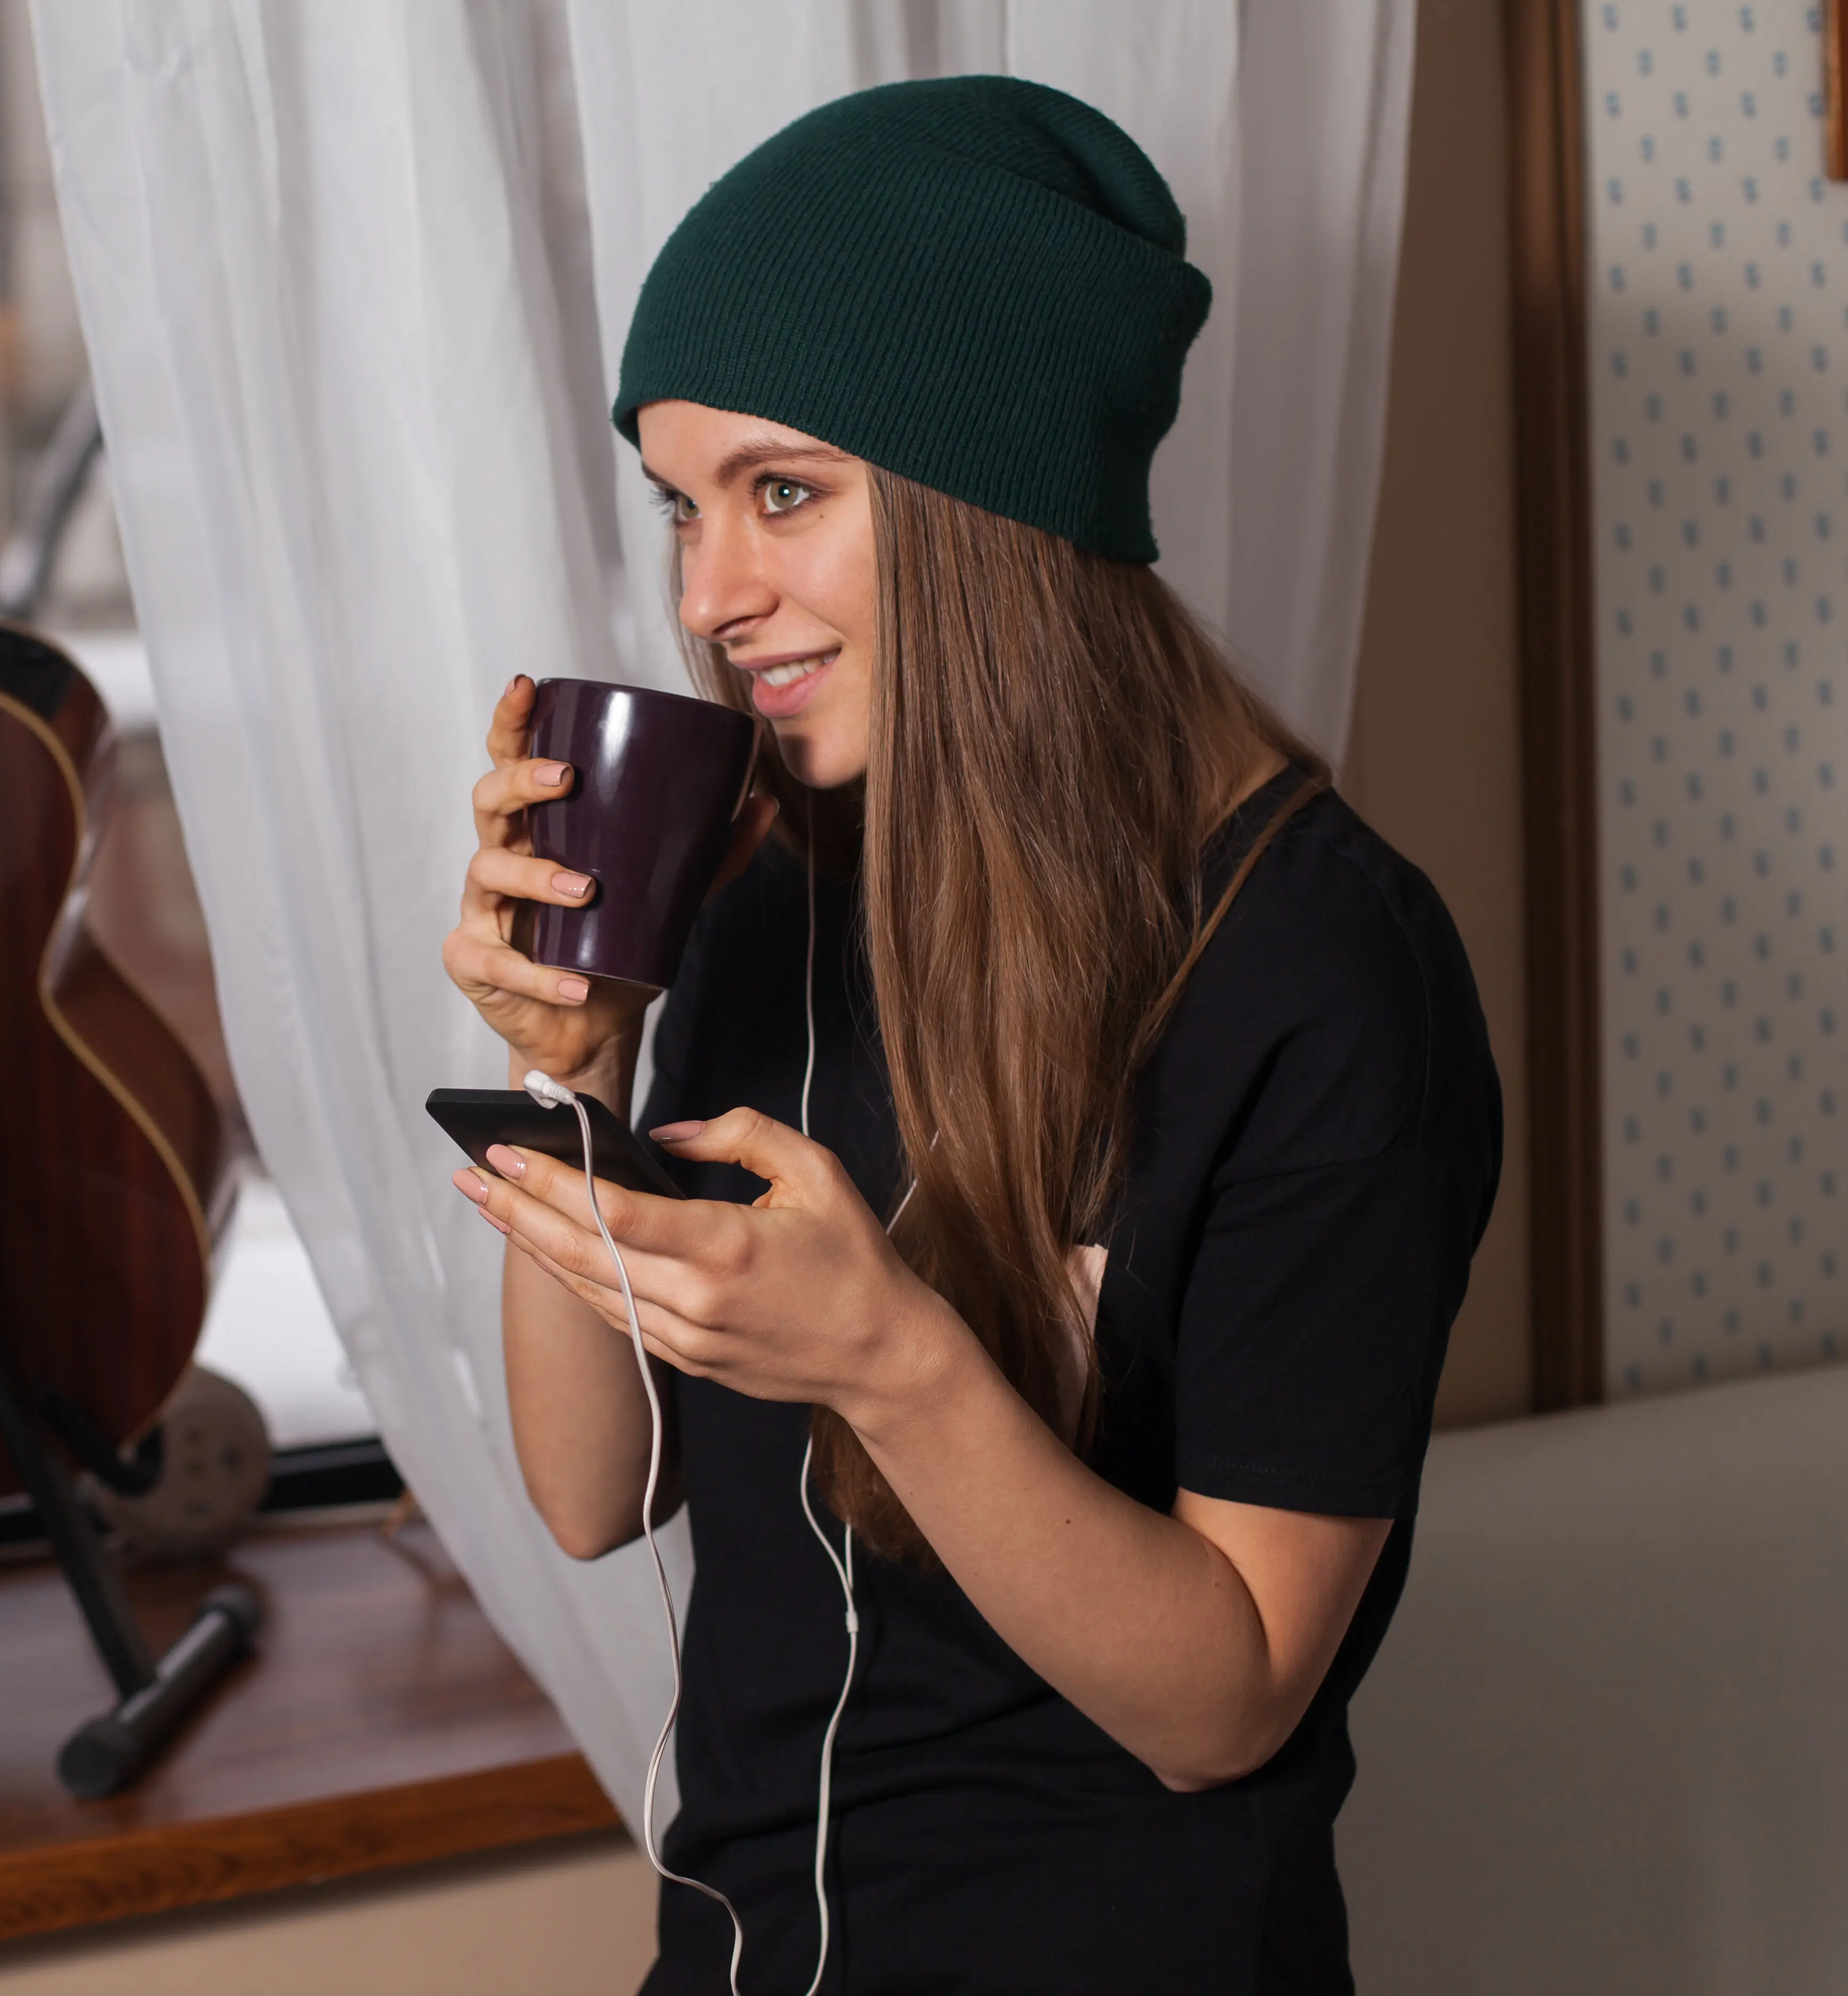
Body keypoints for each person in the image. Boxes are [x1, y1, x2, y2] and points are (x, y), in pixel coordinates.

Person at [441, 78, 1500, 1995]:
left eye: (784, 493)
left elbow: (1230, 1700)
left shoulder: (1331, 975)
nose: (708, 596)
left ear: (994, 486)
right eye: (685, 508)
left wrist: (893, 1365)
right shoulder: (776, 882)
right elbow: (597, 1493)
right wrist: (570, 1077)